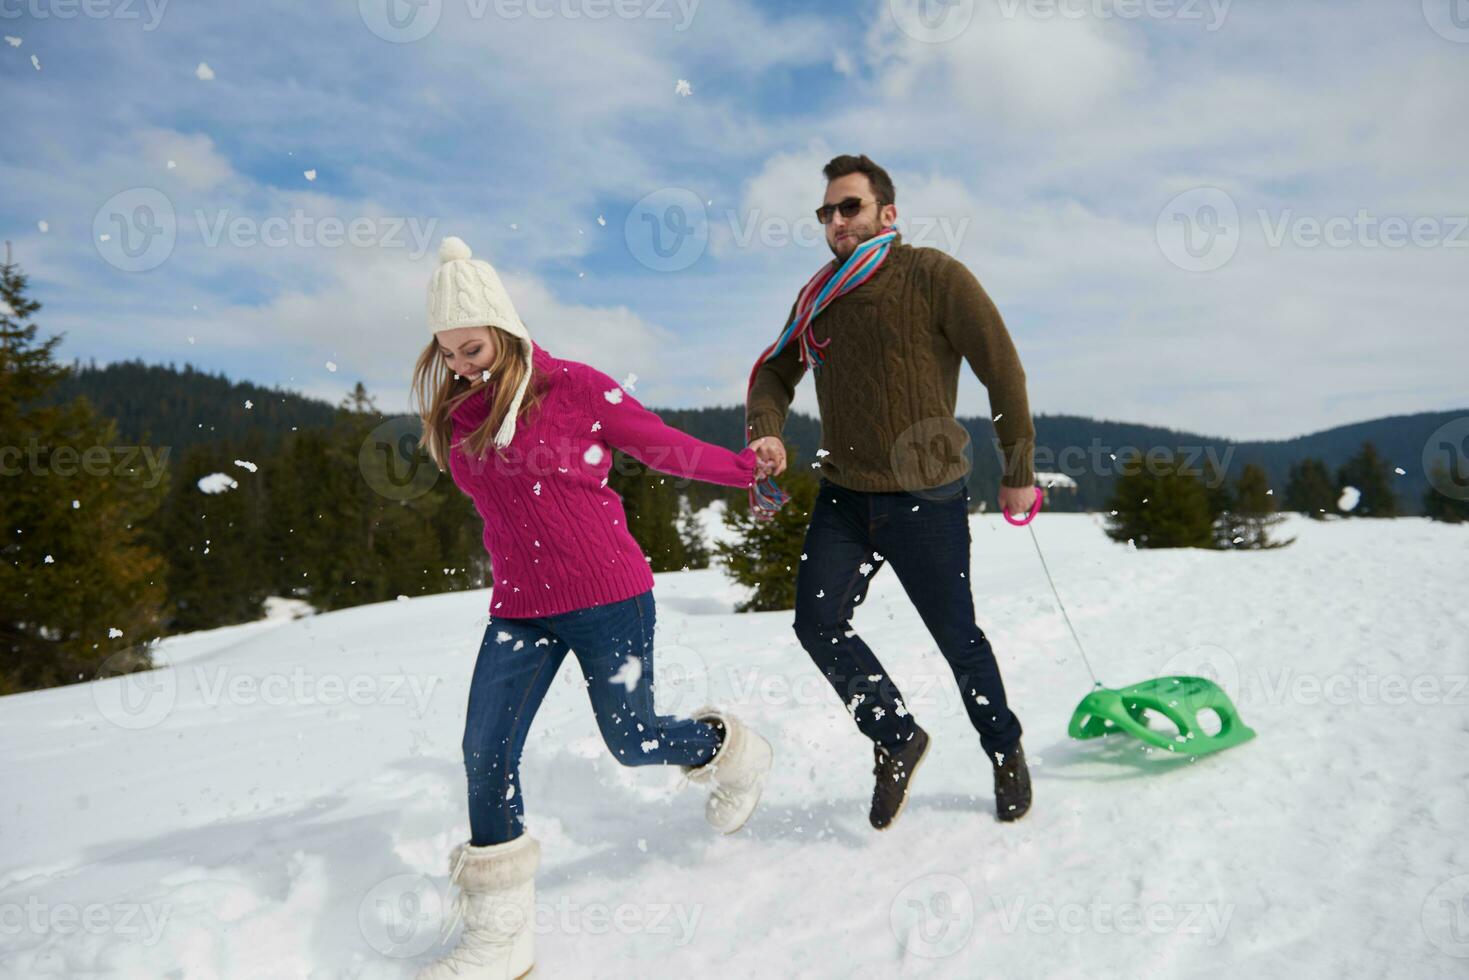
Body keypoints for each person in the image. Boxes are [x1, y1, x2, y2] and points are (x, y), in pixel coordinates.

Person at [412, 236, 780, 977]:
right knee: (485, 752)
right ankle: (500, 936)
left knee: (634, 739)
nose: (460, 365)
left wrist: (745, 471)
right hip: (519, 610)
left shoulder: (574, 387)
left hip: (609, 597)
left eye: (472, 348)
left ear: (506, 331)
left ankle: (731, 752)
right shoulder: (459, 417)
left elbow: (658, 445)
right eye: (447, 354)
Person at [745, 154, 1035, 831]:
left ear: (887, 213)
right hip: (844, 496)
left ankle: (1003, 748)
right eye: (826, 212)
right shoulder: (818, 296)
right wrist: (766, 429)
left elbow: (1004, 371)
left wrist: (1017, 470)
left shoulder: (935, 276)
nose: (836, 221)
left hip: (925, 499)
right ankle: (895, 735)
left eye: (849, 207)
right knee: (817, 625)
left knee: (957, 639)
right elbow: (771, 372)